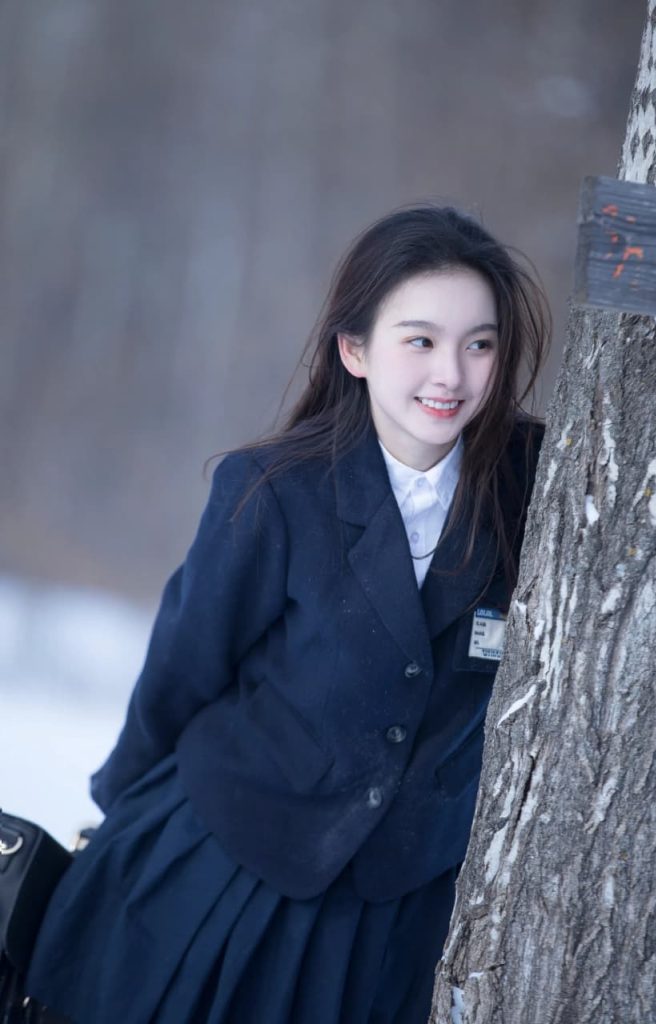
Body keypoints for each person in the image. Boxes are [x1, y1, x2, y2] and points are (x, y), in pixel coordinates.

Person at [26, 204, 550, 1023]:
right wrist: (114, 817)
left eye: (478, 344)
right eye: (420, 340)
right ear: (355, 350)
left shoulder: (542, 488)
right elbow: (184, 668)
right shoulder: (272, 490)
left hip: (405, 905)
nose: (451, 373)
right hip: (235, 858)